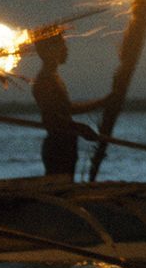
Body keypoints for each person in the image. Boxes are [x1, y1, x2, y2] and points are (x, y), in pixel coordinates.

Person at [32, 31, 106, 177]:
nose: (66, 49)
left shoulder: (53, 77)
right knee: (58, 185)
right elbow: (52, 118)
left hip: (65, 145)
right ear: (49, 50)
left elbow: (65, 109)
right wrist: (80, 128)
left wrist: (101, 103)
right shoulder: (45, 80)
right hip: (58, 148)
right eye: (62, 45)